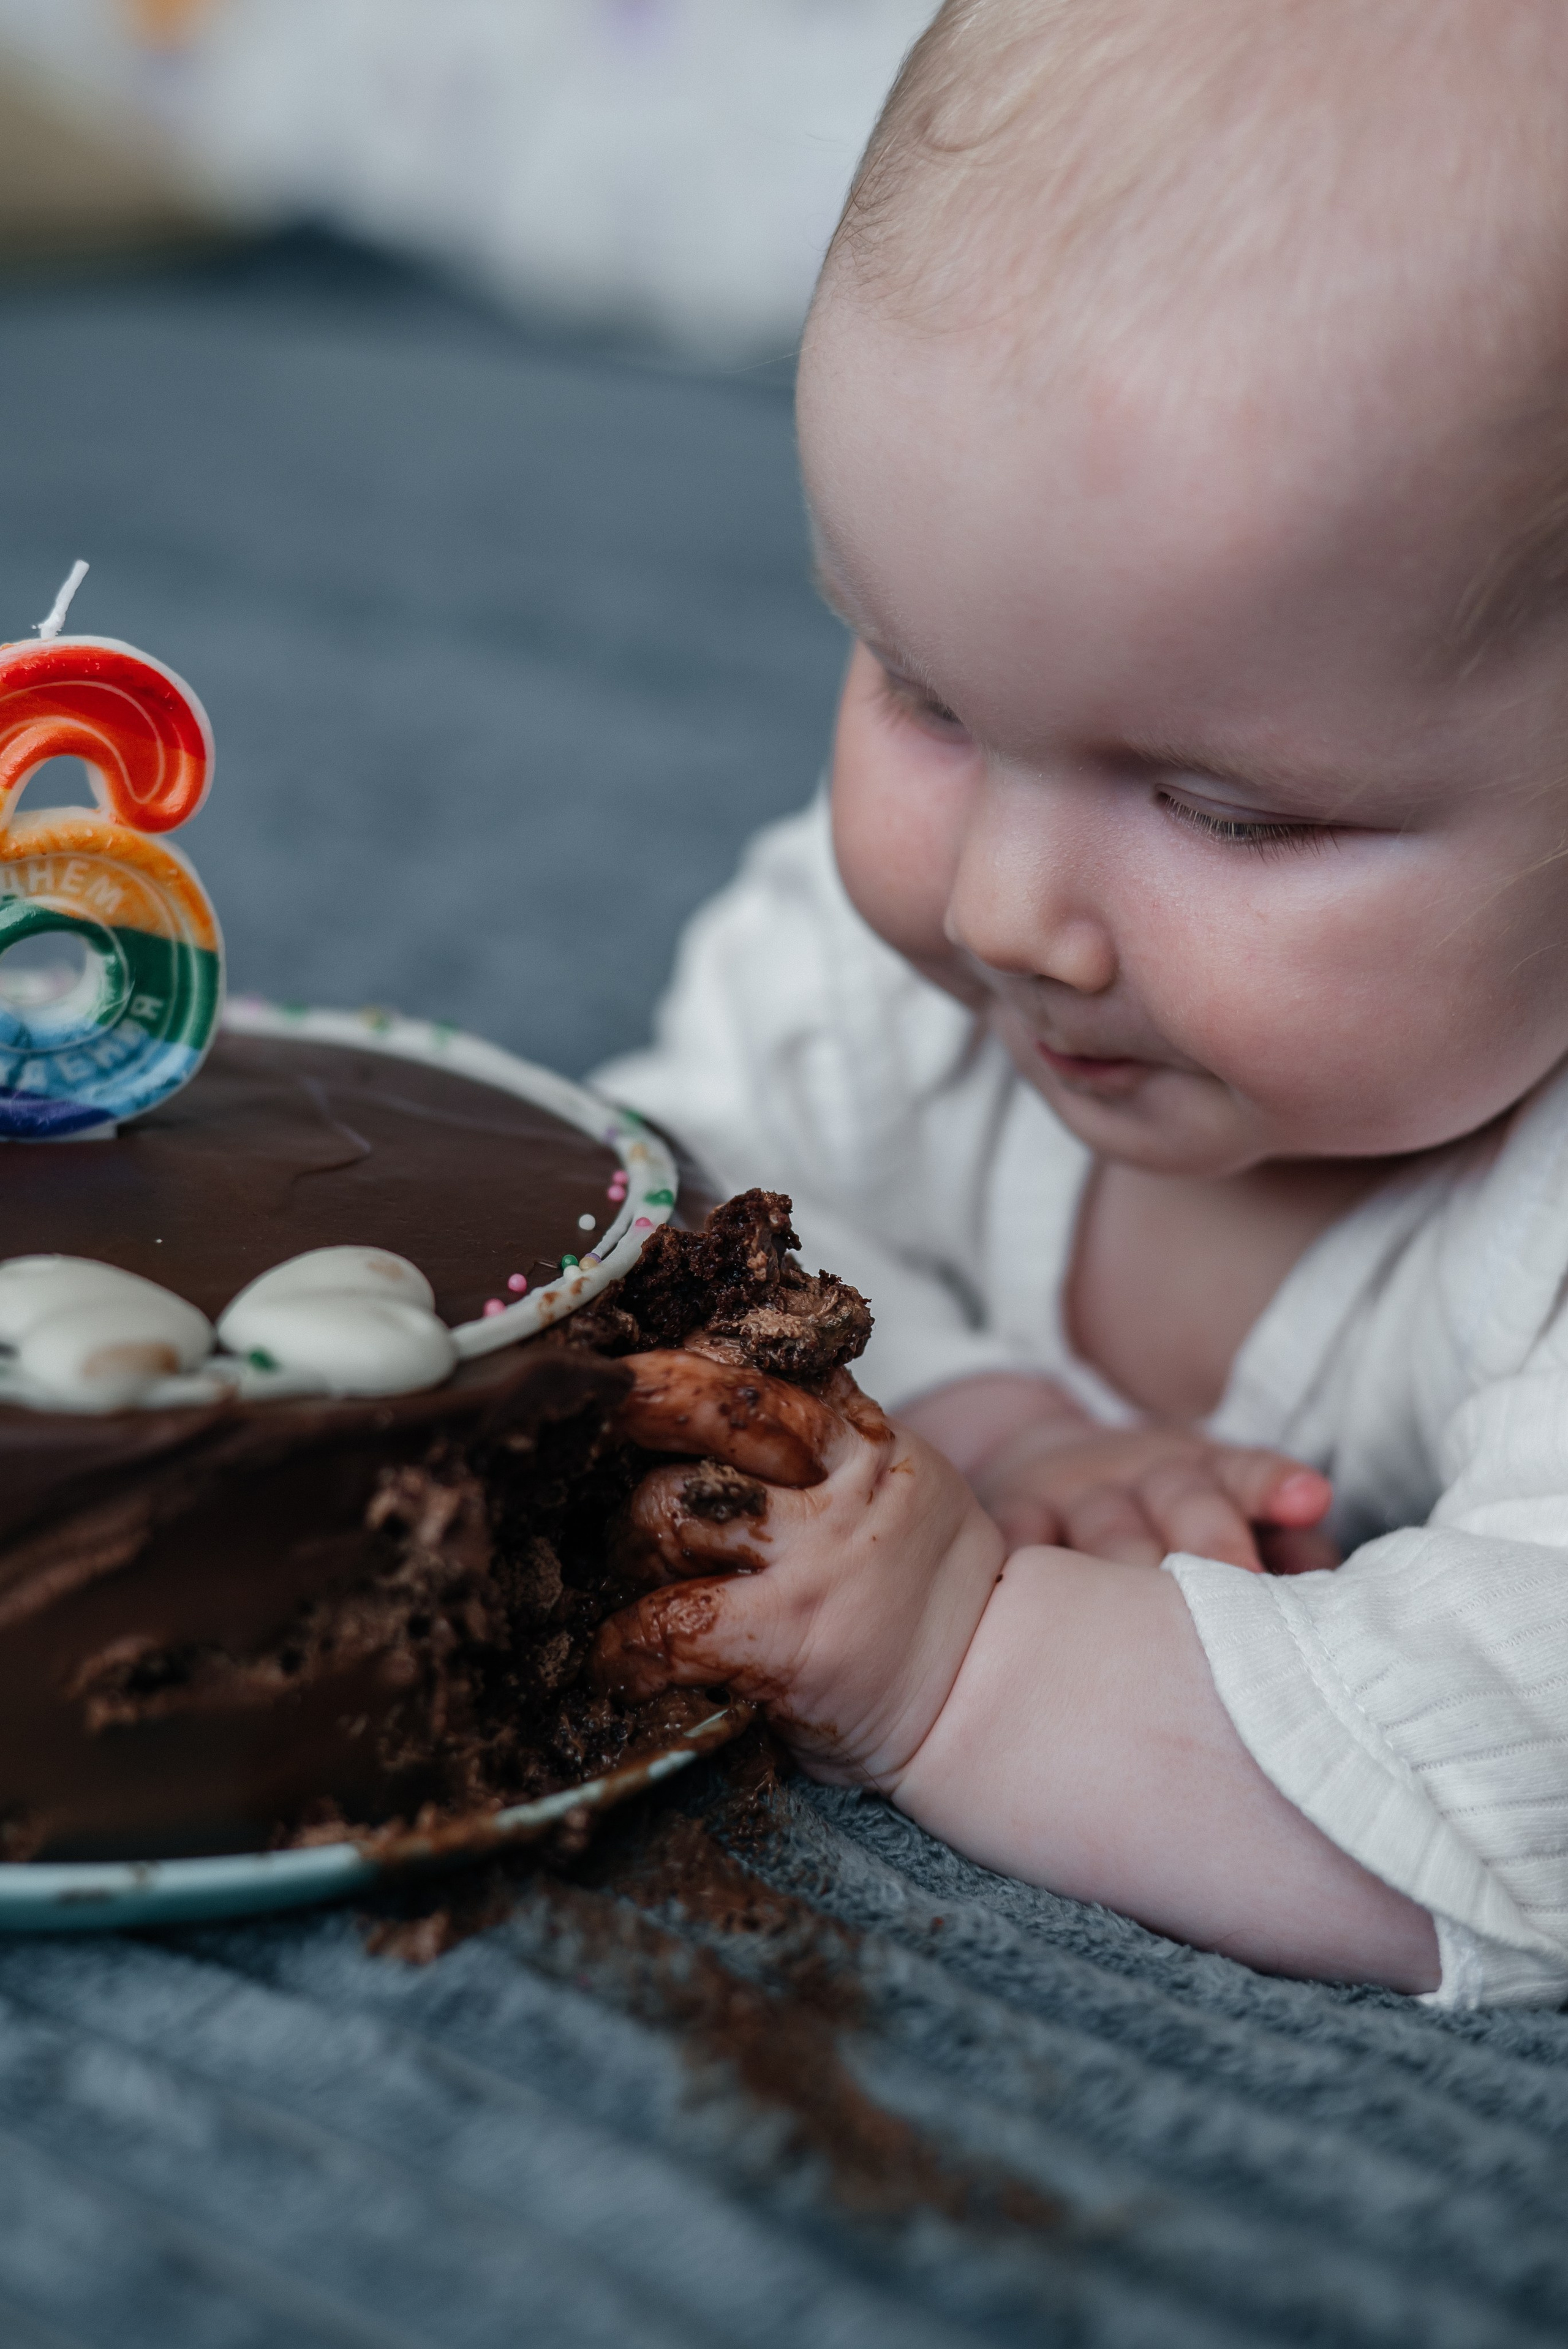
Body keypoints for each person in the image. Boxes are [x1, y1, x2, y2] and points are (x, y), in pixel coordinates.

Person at [592, 0, 1568, 2006]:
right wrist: (962, 1404)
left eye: (1231, 811)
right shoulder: (907, 968)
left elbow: (1514, 1790)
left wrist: (966, 1652)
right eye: (922, 692)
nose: (1010, 908)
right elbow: (661, 1204)